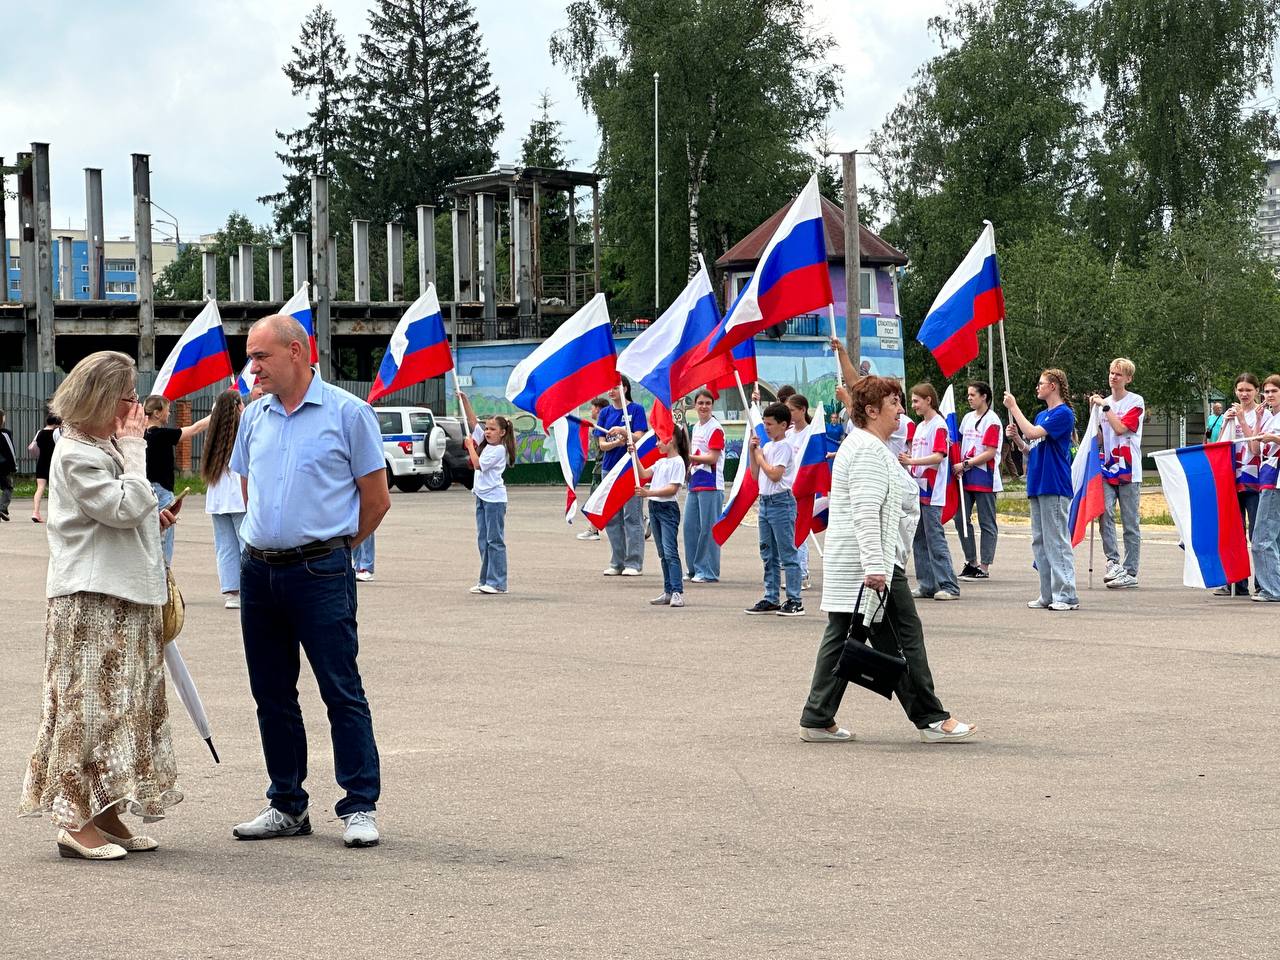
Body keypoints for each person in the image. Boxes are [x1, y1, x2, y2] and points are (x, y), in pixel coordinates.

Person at [229, 314, 390, 849]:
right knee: (271, 694)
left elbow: (376, 499)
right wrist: (271, 538)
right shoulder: (254, 417)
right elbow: (249, 489)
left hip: (321, 570)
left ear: (297, 352)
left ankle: (359, 804)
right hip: (259, 572)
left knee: (341, 691)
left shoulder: (349, 414)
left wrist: (333, 546)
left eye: (261, 356)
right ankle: (286, 804)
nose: (252, 367)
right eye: (251, 357)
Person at [18, 350, 182, 860]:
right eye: (129, 397)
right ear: (102, 399)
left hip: (125, 594)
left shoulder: (103, 441)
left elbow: (120, 515)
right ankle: (73, 820)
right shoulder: (75, 450)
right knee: (85, 712)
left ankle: (108, 810)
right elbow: (120, 506)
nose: (136, 408)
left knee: (124, 709)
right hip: (91, 602)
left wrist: (150, 521)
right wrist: (136, 452)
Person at [799, 375, 975, 743]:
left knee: (845, 634)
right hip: (871, 565)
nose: (901, 409)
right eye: (893, 402)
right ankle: (930, 718)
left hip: (860, 564)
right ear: (871, 410)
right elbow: (865, 511)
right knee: (904, 636)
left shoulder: (872, 446)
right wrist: (875, 566)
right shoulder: (866, 449)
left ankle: (817, 716)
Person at [1004, 369, 1079, 611]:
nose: (1038, 387)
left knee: (1056, 540)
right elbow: (1032, 447)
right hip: (1037, 482)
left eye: (1041, 383)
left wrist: (1014, 408)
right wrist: (1017, 440)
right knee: (1040, 541)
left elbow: (1034, 432)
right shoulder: (1041, 415)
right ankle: (1048, 593)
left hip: (1054, 483)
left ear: (1054, 386)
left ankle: (1066, 594)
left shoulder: (1063, 414)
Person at [899, 383, 960, 601]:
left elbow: (938, 456)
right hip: (918, 489)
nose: (913, 405)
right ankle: (927, 584)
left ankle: (949, 585)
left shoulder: (938, 425)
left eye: (916, 401)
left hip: (933, 491)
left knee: (935, 538)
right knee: (919, 538)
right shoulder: (921, 426)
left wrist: (912, 461)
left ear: (928, 400)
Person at [745, 402, 804, 617]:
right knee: (768, 553)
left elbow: (775, 474)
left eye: (770, 424)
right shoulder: (767, 447)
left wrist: (760, 458)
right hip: (766, 502)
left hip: (781, 502)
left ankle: (795, 599)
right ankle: (771, 596)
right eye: (765, 423)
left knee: (787, 552)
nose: (767, 428)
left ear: (783, 425)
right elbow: (755, 474)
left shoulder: (784, 447)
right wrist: (754, 453)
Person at [1090, 358, 1144, 590]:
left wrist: (1105, 407)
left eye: (1119, 374)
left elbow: (1122, 428)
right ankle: (1112, 561)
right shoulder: (1104, 404)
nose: (1113, 377)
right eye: (1112, 373)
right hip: (1108, 466)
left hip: (1129, 469)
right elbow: (1102, 436)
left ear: (1128, 379)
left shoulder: (1135, 401)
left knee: (1130, 522)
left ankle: (1130, 570)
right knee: (1104, 513)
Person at [143, 396, 209, 565]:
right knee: (164, 537)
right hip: (162, 492)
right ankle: (164, 573)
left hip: (143, 491)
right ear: (157, 413)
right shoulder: (162, 435)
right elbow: (195, 428)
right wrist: (215, 414)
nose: (169, 413)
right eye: (167, 409)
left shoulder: (140, 435)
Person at [460, 392, 514, 595]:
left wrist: (469, 447)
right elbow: (473, 422)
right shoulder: (486, 442)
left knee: (495, 540)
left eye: (492, 429)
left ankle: (498, 582)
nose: (488, 431)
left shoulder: (498, 450)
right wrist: (464, 400)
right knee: (483, 539)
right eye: (487, 428)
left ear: (502, 433)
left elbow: (477, 464)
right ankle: (485, 579)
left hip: (495, 500)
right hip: (481, 496)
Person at [1217, 373, 1265, 597]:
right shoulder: (1230, 414)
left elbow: (1254, 445)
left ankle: (1264, 583)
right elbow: (1219, 446)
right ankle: (1236, 582)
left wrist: (1243, 420)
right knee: (1233, 533)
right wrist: (1227, 421)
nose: (1244, 394)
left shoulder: (1261, 414)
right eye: (1240, 390)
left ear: (1257, 391)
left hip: (1255, 480)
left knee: (1258, 535)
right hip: (1232, 480)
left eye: (1248, 390)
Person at [201, 390, 248, 607]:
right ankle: (249, 587)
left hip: (218, 498)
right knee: (246, 544)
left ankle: (231, 592)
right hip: (239, 496)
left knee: (225, 545)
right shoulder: (244, 428)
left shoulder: (215, 431)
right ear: (238, 406)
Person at [597, 378, 647, 576]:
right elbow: (601, 444)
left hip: (630, 468)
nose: (611, 391)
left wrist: (624, 433)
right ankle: (617, 562)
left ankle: (634, 563)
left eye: (615, 387)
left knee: (632, 516)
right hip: (609, 469)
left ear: (624, 388)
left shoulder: (636, 410)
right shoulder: (605, 413)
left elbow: (640, 435)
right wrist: (615, 443)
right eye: (609, 387)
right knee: (612, 517)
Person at [953, 381, 1002, 581]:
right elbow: (959, 441)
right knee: (960, 519)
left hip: (984, 478)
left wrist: (966, 463)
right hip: (965, 477)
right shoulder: (966, 418)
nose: (969, 398)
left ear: (984, 397)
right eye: (968, 394)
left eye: (973, 394)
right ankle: (971, 561)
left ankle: (984, 566)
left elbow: (990, 453)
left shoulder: (992, 420)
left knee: (986, 522)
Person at [638, 427, 689, 607]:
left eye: (660, 439)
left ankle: (677, 591)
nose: (657, 443)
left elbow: (672, 489)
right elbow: (643, 473)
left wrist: (648, 492)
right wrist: (634, 455)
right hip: (654, 506)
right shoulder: (661, 462)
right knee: (662, 552)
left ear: (672, 439)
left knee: (670, 551)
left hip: (667, 508)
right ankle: (668, 590)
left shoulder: (678, 462)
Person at [682, 390, 725, 583]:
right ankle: (693, 568)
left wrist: (689, 457)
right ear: (695, 405)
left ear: (712, 406)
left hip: (711, 484)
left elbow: (713, 457)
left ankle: (708, 571)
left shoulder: (715, 428)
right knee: (690, 528)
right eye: (700, 403)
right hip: (695, 483)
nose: (704, 406)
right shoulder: (697, 427)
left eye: (708, 403)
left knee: (708, 529)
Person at [1248, 376, 1280, 602]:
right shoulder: (1269, 417)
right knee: (1270, 538)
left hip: (1275, 479)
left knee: (1262, 538)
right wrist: (1258, 419)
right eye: (1266, 392)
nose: (1269, 395)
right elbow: (1254, 446)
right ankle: (1272, 586)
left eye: (1274, 391)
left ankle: (1272, 589)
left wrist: (1275, 438)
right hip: (1266, 477)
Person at [785, 393, 814, 591]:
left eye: (792, 410)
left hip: (803, 487)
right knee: (788, 532)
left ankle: (802, 573)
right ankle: (792, 572)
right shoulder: (787, 433)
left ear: (802, 410)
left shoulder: (812, 433)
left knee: (801, 530)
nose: (789, 414)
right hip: (787, 487)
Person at [576, 396, 610, 541]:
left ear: (598, 409)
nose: (591, 411)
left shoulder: (603, 428)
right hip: (602, 465)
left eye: (593, 408)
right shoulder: (602, 427)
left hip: (602, 466)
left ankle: (593, 529)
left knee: (596, 497)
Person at [31, 414, 61, 523]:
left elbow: (33, 447)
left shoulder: (40, 433)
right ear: (56, 423)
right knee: (55, 489)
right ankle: (55, 515)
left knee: (40, 488)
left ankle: (35, 512)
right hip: (53, 464)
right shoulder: (57, 433)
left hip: (41, 463)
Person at [0, 407, 16, 521]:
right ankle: (2, 508)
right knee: (8, 487)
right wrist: (13, 466)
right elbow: (11, 451)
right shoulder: (5, 433)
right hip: (3, 466)